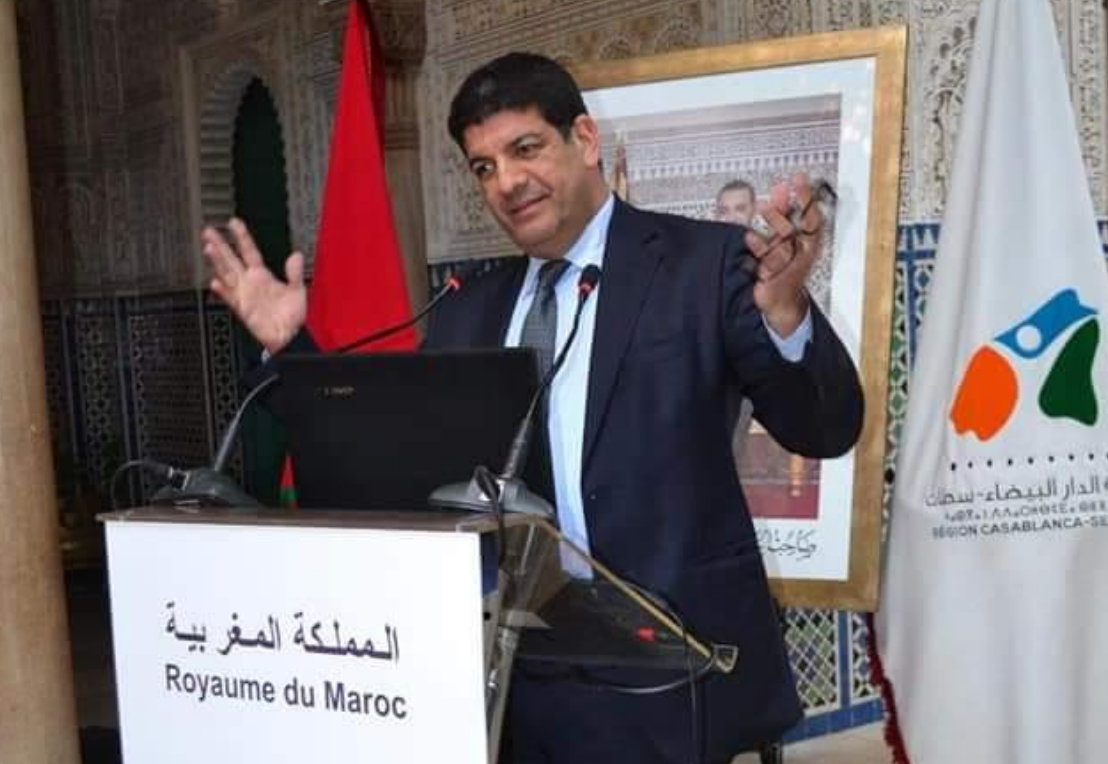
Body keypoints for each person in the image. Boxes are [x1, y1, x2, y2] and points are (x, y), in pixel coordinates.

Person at [203, 52, 863, 764]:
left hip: (672, 673)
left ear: (585, 139)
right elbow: (384, 461)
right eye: (484, 167)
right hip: (521, 681)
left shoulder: (703, 264)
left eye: (525, 148)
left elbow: (824, 426)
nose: (507, 182)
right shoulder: (467, 309)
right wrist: (290, 348)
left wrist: (786, 314)